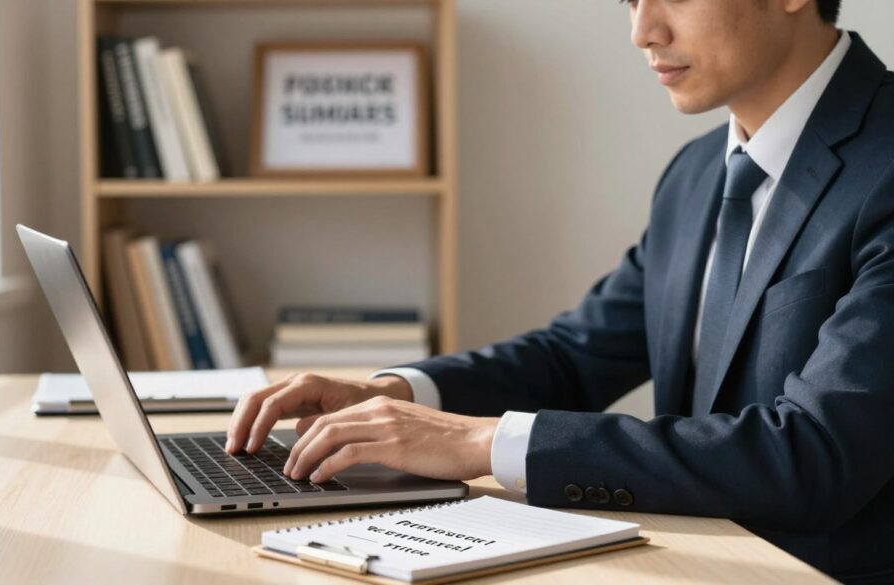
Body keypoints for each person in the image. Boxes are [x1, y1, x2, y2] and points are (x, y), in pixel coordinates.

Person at [227, 0, 894, 581]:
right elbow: (575, 356)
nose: (642, 31)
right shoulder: (695, 176)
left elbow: (815, 454)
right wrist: (396, 394)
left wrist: (480, 443)